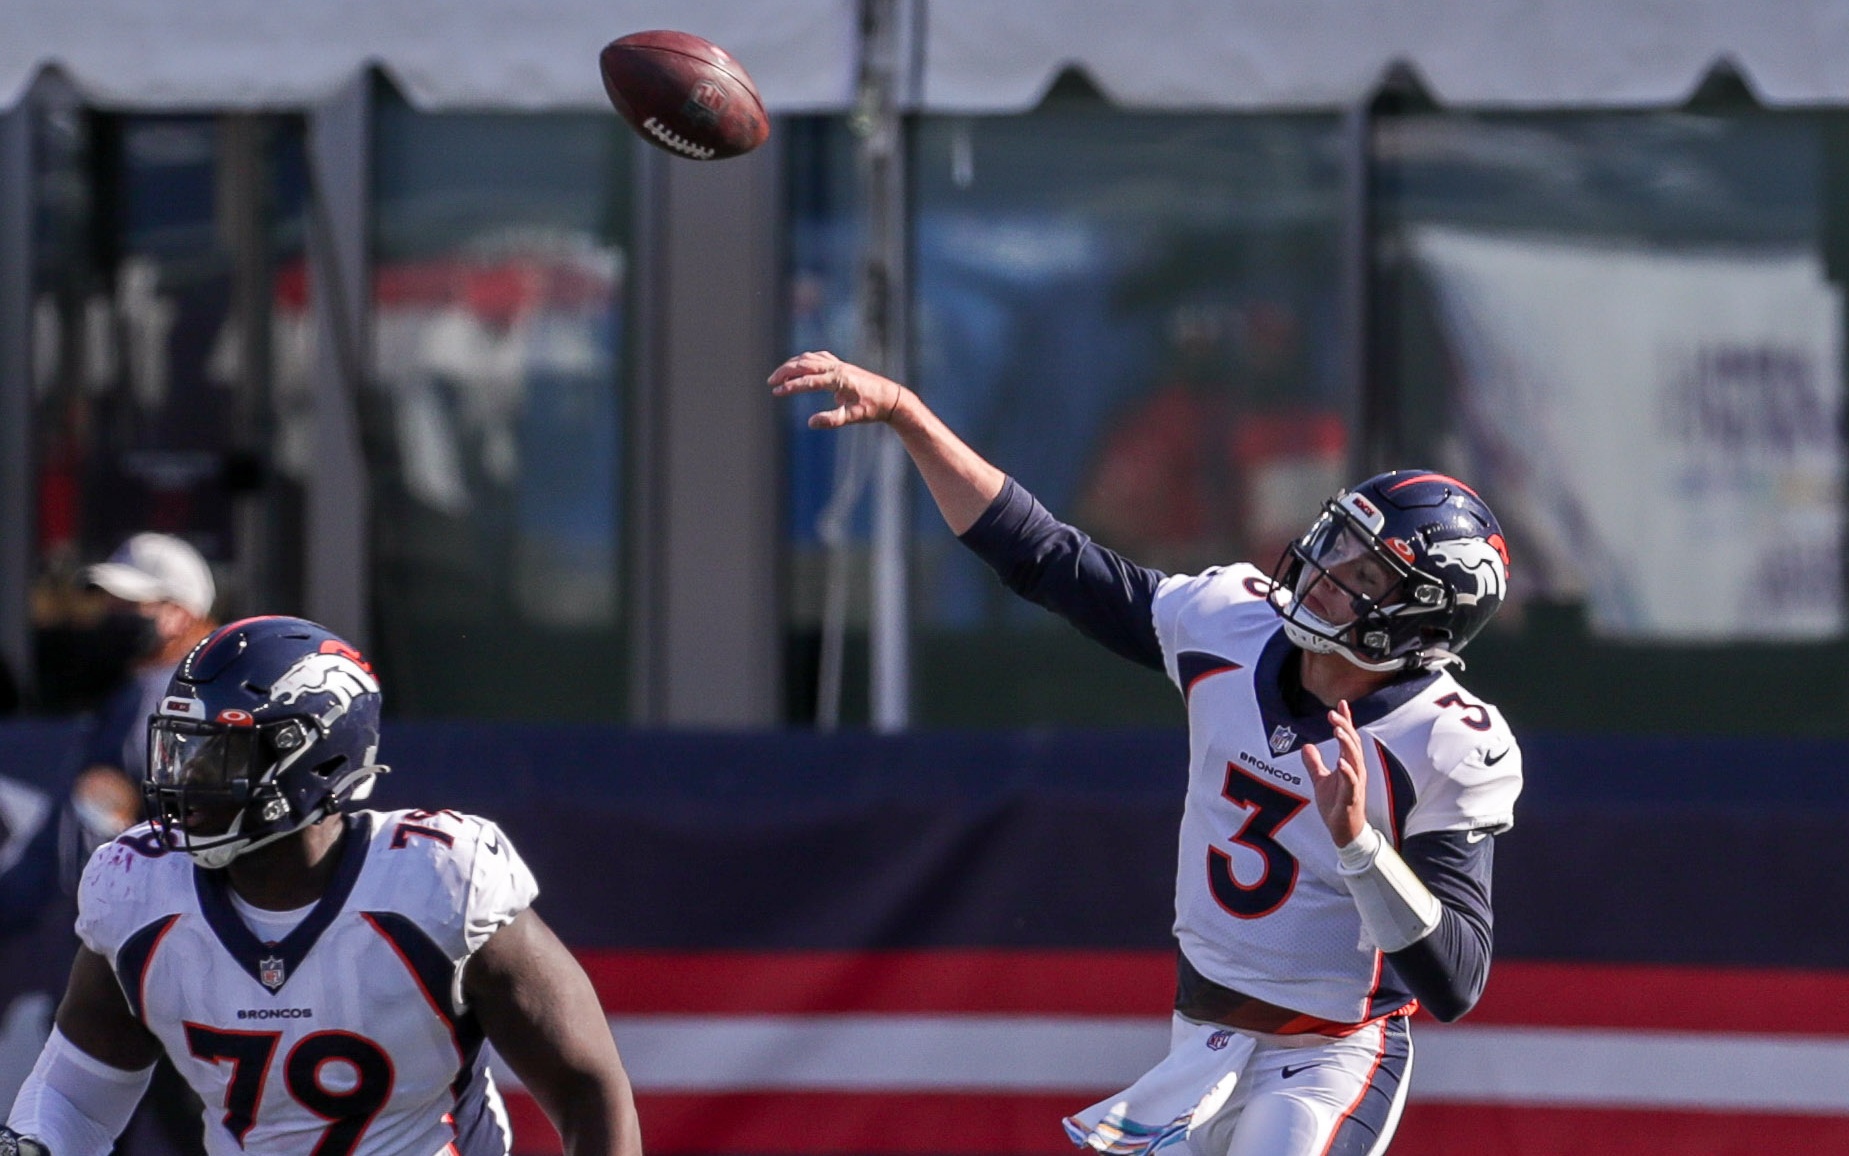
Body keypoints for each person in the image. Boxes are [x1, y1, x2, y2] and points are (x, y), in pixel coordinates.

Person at [770, 351, 1521, 1156]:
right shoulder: (1229, 625)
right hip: (1201, 1038)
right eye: (1336, 546)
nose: (1326, 573)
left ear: (1419, 619)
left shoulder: (1439, 738)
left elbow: (1455, 980)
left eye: (1363, 572)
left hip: (1329, 1054)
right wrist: (909, 419)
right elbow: (1045, 558)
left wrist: (1360, 847)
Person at [2, 616, 643, 1156]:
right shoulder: (140, 888)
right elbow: (74, 1099)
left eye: (216, 756)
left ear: (315, 755)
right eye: (180, 752)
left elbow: (588, 1088)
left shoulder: (440, 881)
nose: (186, 781)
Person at [76, 534, 222, 843]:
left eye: (130, 604)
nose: (113, 613)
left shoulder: (160, 693)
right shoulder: (140, 687)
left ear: (180, 614)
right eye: (110, 603)